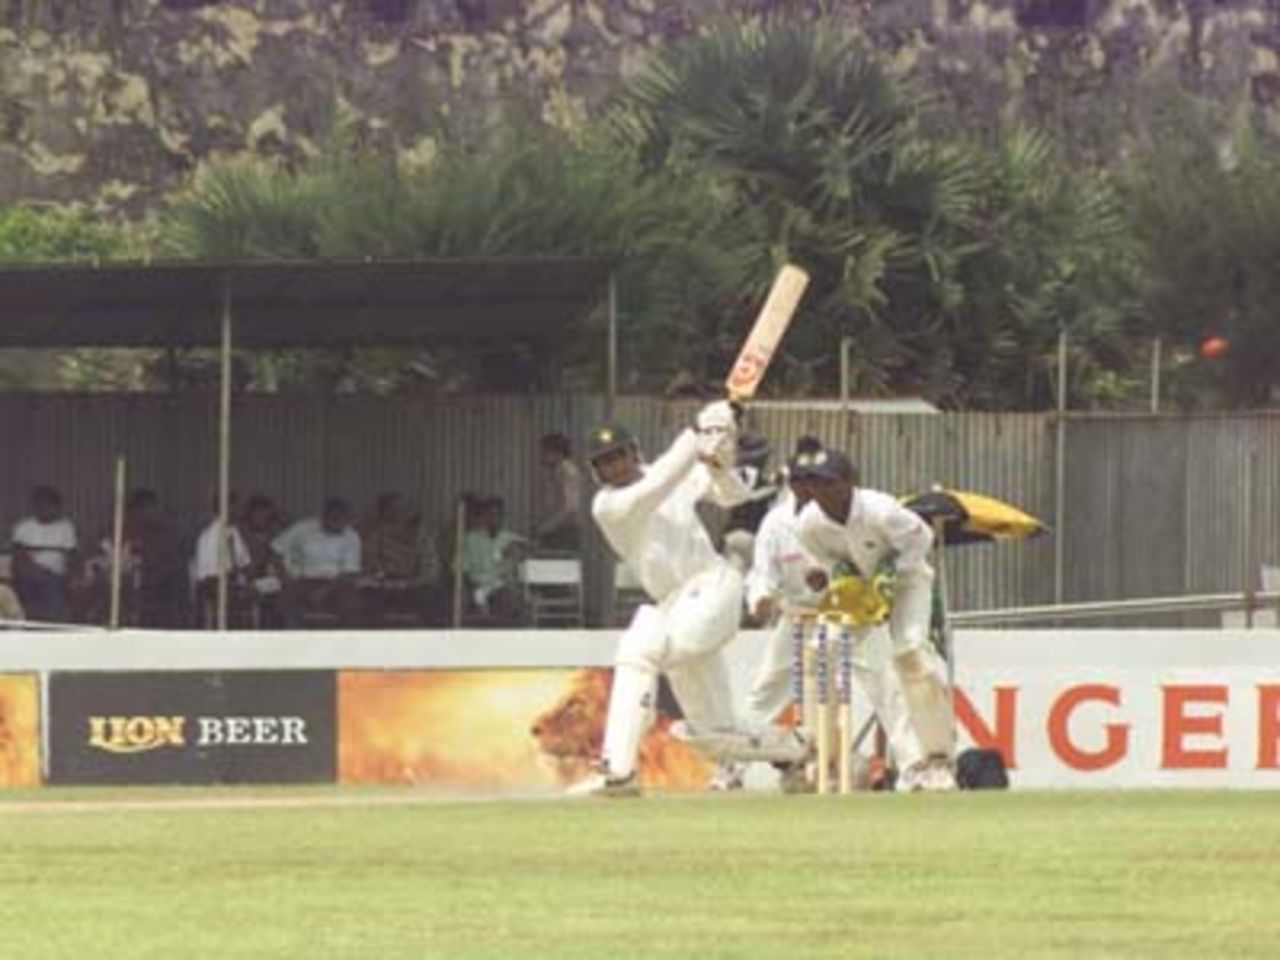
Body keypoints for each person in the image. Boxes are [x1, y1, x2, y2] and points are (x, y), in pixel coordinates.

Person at [572, 403, 806, 797]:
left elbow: (733, 494)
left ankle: (619, 772)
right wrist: (698, 433)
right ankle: (797, 750)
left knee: (639, 646)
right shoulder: (608, 506)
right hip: (676, 606)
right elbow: (659, 484)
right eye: (605, 462)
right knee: (711, 735)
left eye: (620, 455)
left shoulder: (671, 471)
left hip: (713, 588)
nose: (616, 467)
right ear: (596, 471)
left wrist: (719, 461)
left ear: (634, 451)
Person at [743, 441, 925, 792]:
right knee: (766, 691)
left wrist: (868, 586)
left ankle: (911, 765)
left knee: (882, 680)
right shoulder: (777, 522)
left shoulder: (851, 510)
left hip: (847, 608)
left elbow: (853, 563)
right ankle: (732, 768)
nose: (807, 488)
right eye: (799, 480)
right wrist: (760, 598)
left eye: (812, 480)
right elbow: (762, 572)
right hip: (797, 616)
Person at [792, 447, 957, 790]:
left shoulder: (881, 510)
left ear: (850, 482)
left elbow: (922, 540)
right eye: (814, 484)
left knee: (912, 656)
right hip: (859, 590)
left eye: (829, 483)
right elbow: (822, 561)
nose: (821, 491)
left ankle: (939, 759)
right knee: (855, 664)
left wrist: (890, 571)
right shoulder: (809, 522)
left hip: (908, 583)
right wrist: (826, 575)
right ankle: (908, 764)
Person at [272, 497, 362, 628]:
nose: (339, 523)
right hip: (302, 580)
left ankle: (344, 639)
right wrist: (283, 576)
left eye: (342, 519)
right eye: (334, 518)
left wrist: (325, 591)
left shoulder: (352, 536)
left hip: (336, 583)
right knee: (284, 602)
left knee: (353, 606)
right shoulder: (302, 528)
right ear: (324, 516)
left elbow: (350, 573)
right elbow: (275, 551)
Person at [359, 491, 442, 625]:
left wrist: (409, 583)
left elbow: (431, 571)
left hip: (415, 586)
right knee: (368, 598)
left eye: (401, 510)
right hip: (385, 586)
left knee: (435, 596)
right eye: (392, 511)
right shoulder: (376, 536)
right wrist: (385, 579)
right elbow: (371, 567)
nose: (397, 514)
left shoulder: (423, 537)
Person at [10, 486, 78, 623]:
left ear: (57, 507)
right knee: (38, 580)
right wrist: (44, 573)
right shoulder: (23, 527)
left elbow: (71, 557)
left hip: (57, 575)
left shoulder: (66, 527)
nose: (44, 508)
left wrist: (73, 577)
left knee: (52, 590)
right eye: (40, 504)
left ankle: (51, 622)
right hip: (29, 574)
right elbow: (19, 558)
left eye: (48, 504)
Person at [460, 496, 526, 623]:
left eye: (497, 515)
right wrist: (473, 589)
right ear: (484, 517)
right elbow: (463, 568)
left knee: (512, 599)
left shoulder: (509, 538)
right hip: (477, 585)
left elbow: (531, 547)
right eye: (490, 515)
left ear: (502, 517)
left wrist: (517, 549)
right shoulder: (470, 539)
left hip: (501, 587)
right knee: (477, 606)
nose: (493, 519)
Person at [190, 494, 253, 627]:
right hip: (213, 584)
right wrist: (237, 578)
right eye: (236, 508)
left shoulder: (233, 531)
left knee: (270, 587)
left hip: (233, 581)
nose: (240, 512)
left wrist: (250, 577)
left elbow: (244, 560)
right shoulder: (209, 535)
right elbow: (207, 575)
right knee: (235, 594)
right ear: (226, 508)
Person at [533, 432, 584, 552]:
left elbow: (570, 508)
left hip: (565, 532)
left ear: (558, 453)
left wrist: (545, 528)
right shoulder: (552, 472)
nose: (541, 456)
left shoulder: (568, 472)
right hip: (554, 531)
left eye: (545, 452)